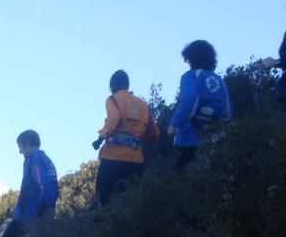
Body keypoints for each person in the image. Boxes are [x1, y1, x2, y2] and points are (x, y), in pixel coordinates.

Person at [92, 70, 158, 205]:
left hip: (112, 157)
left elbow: (113, 121)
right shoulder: (142, 105)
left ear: (112, 86)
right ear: (127, 85)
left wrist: (99, 139)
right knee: (130, 202)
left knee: (102, 198)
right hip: (135, 159)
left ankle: (101, 225)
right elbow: (153, 133)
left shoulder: (113, 99)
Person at [169, 40, 232, 170]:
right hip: (216, 137)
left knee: (181, 176)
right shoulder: (219, 80)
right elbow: (227, 109)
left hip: (190, 136)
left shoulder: (190, 76)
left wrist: (174, 123)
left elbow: (189, 100)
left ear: (191, 58)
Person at [2, 129, 58, 237]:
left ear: (27, 144)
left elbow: (43, 183)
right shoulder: (43, 158)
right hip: (33, 213)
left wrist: (43, 209)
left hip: (30, 214)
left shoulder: (35, 159)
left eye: (20, 147)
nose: (20, 151)